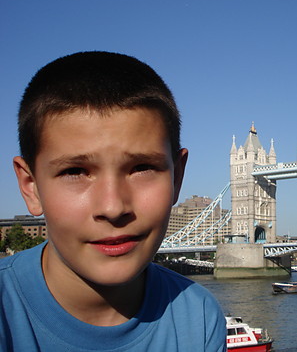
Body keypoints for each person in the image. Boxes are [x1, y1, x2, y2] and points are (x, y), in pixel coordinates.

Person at [0, 51, 227, 351]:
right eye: (75, 171)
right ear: (30, 186)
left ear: (177, 178)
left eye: (142, 168)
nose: (113, 207)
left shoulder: (199, 318)